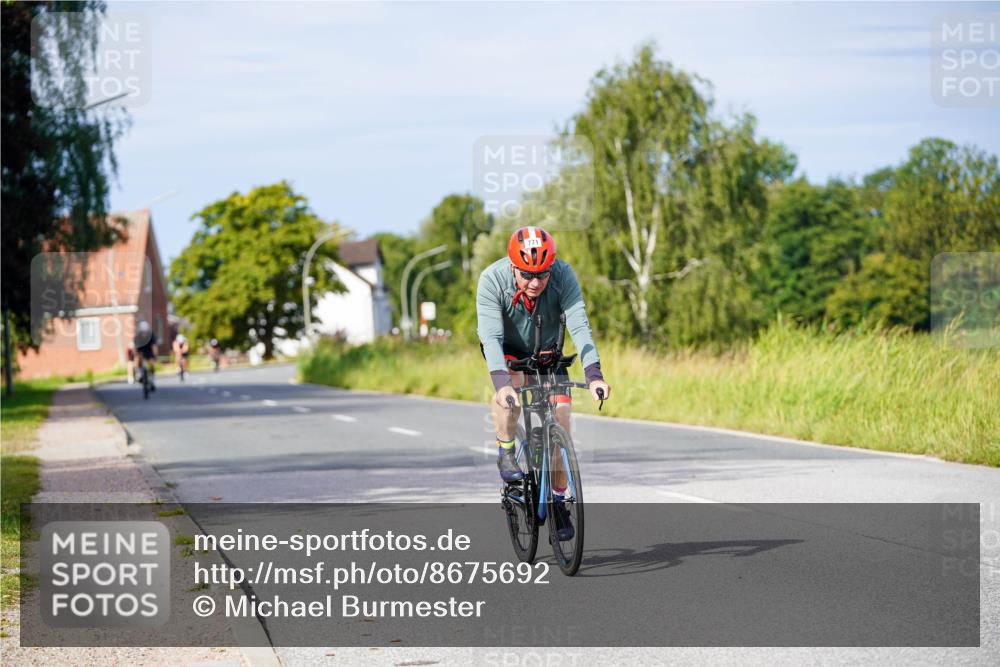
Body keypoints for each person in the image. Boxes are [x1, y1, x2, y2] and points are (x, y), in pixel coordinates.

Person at [476, 226, 611, 540]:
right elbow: (491, 338)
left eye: (543, 274)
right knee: (508, 398)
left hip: (549, 353)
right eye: (527, 275)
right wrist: (502, 384)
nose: (535, 282)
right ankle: (506, 449)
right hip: (509, 354)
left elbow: (580, 326)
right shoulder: (491, 279)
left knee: (560, 418)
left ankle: (559, 501)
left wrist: (594, 376)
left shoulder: (563, 275)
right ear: (513, 267)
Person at [134, 320, 158, 391]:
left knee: (152, 365)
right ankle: (140, 374)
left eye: (145, 331)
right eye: (143, 331)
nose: (144, 333)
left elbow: (154, 346)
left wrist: (155, 355)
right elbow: (135, 348)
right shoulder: (138, 336)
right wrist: (136, 355)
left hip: (149, 351)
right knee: (138, 359)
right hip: (141, 351)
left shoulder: (151, 336)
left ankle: (152, 381)